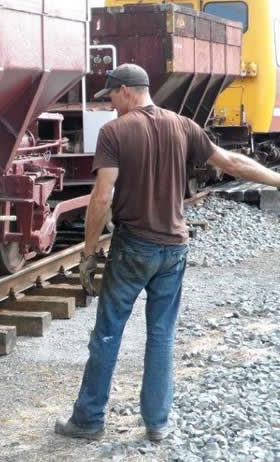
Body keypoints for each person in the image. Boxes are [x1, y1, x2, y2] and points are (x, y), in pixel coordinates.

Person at [54, 63, 280, 442]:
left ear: (126, 90)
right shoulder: (184, 125)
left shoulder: (115, 132)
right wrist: (276, 177)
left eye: (110, 95)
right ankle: (157, 423)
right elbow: (232, 162)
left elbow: (102, 197)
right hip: (174, 248)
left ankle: (88, 420)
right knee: (161, 335)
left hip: (133, 248)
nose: (109, 104)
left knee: (108, 334)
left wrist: (89, 253)